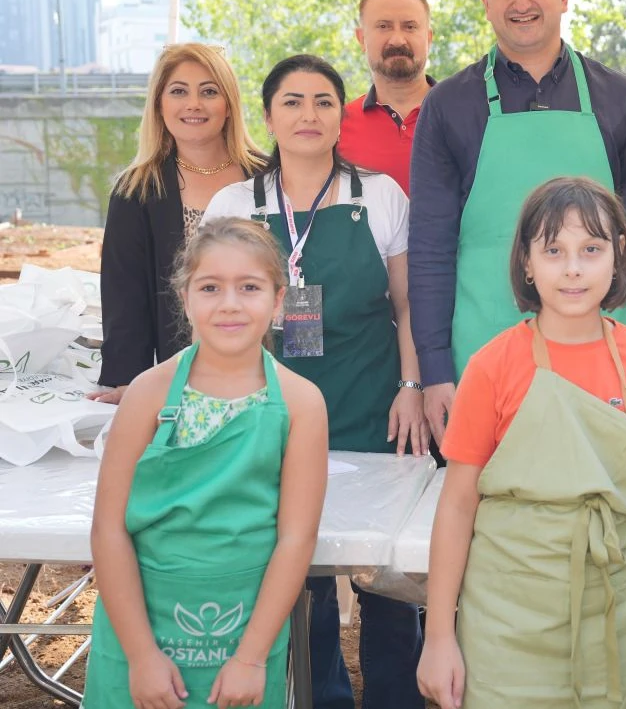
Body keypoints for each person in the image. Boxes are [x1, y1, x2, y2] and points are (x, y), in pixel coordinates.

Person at [418, 177, 626, 709]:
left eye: (591, 250)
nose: (573, 268)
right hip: (504, 619)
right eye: (553, 251)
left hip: (609, 615)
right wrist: (439, 637)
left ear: (618, 258)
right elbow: (457, 505)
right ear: (527, 263)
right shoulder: (493, 364)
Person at [204, 54, 428, 709]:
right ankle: (320, 694)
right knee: (297, 569)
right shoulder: (235, 202)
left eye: (324, 101)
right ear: (269, 116)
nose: (309, 114)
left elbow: (409, 304)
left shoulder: (380, 194)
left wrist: (411, 386)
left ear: (341, 115)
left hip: (372, 402)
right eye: (293, 101)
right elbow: (214, 314)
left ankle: (394, 696)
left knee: (386, 580)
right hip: (269, 414)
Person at [408, 0, 626, 449]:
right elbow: (430, 248)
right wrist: (435, 369)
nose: (522, 2)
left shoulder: (619, 98)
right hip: (482, 349)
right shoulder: (448, 105)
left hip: (606, 355)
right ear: (485, 0)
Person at [85, 217, 328, 709]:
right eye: (211, 287)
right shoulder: (147, 394)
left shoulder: (302, 403)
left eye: (250, 287)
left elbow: (295, 538)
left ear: (279, 300)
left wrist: (251, 659)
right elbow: (108, 529)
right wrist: (141, 655)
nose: (230, 303)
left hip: (245, 633)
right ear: (185, 297)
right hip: (140, 627)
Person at [94, 43, 264, 403]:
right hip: (182, 382)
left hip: (270, 370)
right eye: (178, 92)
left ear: (229, 104)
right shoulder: (136, 190)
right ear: (159, 104)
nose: (193, 105)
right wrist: (131, 384)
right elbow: (125, 298)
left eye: (209, 91)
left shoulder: (270, 177)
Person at [340, 0, 437, 194]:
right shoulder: (336, 127)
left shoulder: (464, 114)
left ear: (428, 38)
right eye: (383, 26)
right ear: (361, 38)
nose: (397, 39)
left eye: (410, 27)